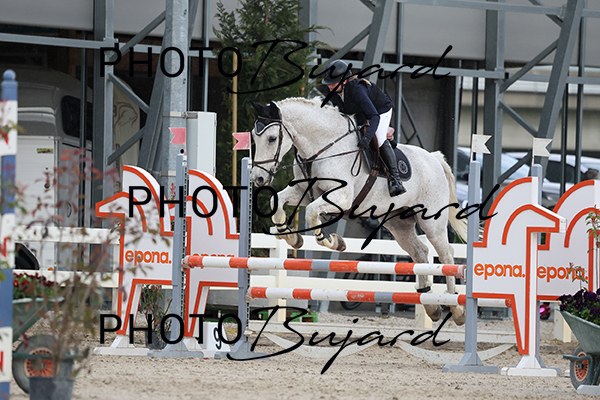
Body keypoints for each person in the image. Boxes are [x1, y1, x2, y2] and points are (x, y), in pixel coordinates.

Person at [321, 60, 406, 196]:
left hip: (380, 110)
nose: (330, 86)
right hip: (359, 110)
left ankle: (396, 179)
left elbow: (374, 116)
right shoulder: (331, 90)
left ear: (344, 81)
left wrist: (367, 138)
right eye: (328, 83)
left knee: (378, 138)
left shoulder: (358, 90)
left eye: (333, 83)